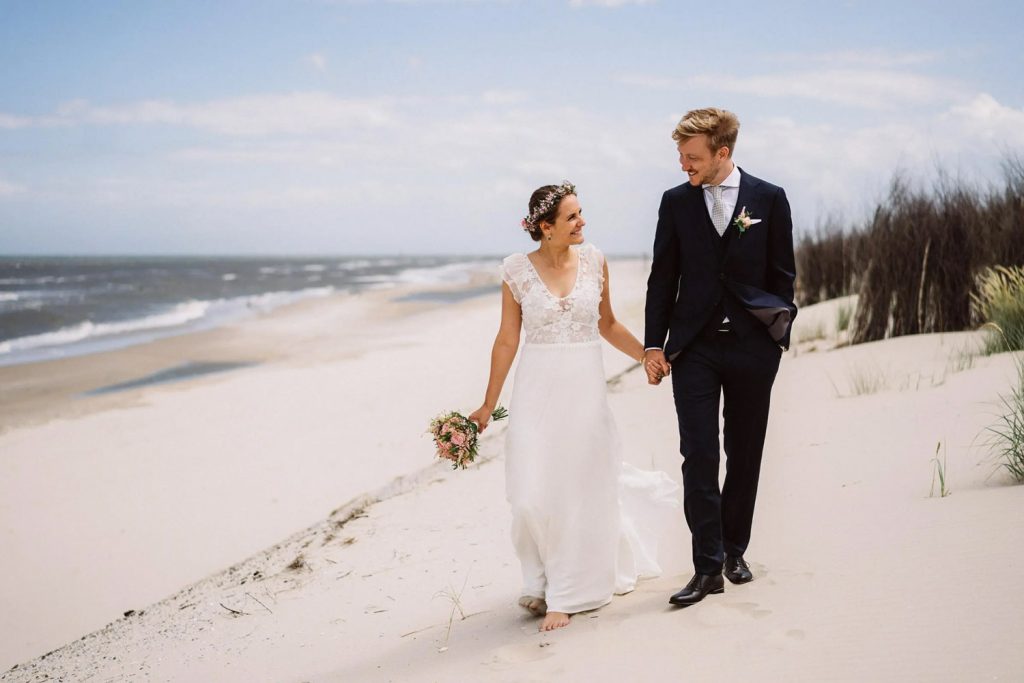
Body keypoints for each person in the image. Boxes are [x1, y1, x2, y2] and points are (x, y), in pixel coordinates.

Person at [469, 181, 677, 632]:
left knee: (576, 489)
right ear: (545, 228)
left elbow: (608, 324)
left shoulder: (595, 260)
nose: (582, 222)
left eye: (581, 213)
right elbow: (507, 340)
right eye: (572, 217)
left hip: (584, 393)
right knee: (528, 494)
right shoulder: (516, 271)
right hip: (535, 393)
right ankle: (539, 578)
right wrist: (487, 405)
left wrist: (646, 353)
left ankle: (565, 592)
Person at [643, 108, 797, 607]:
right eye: (681, 156)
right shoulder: (674, 203)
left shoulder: (769, 199)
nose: (684, 165)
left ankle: (735, 550)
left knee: (745, 452)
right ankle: (706, 567)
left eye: (693, 157)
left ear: (722, 153)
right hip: (695, 349)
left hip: (753, 348)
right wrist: (653, 343)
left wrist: (776, 336)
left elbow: (782, 275)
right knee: (700, 456)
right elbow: (663, 277)